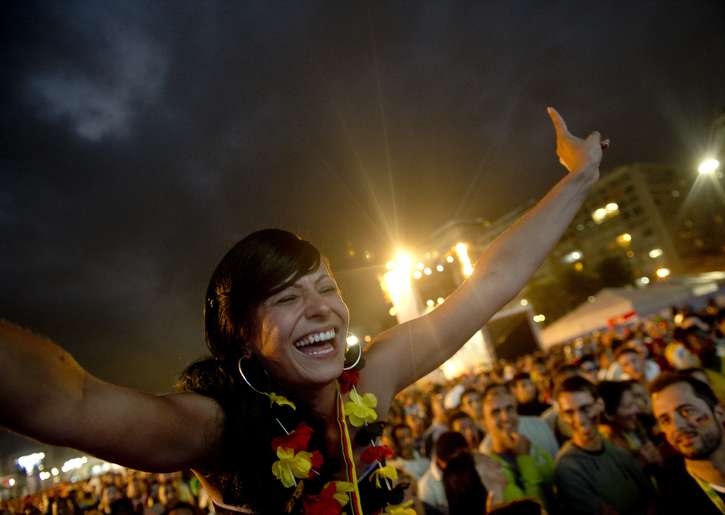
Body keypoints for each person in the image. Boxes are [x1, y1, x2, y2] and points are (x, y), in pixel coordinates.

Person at [0, 108, 605, 515]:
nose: (320, 311)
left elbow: (488, 284)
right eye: (287, 299)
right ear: (241, 336)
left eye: (325, 288)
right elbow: (67, 399)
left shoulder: (372, 378)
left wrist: (579, 180)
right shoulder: (215, 426)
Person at [650, 373, 725, 514]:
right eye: (665, 420)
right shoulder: (670, 505)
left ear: (719, 412)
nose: (677, 426)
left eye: (686, 411)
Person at [554, 376, 654, 515]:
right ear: (562, 416)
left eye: (585, 408)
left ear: (600, 404)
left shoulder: (616, 447)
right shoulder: (568, 467)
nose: (579, 419)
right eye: (569, 412)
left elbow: (650, 497)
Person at [480, 387, 554, 508]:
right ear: (484, 424)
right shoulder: (489, 471)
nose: (505, 417)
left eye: (510, 409)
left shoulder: (534, 449)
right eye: (495, 412)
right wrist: (524, 459)